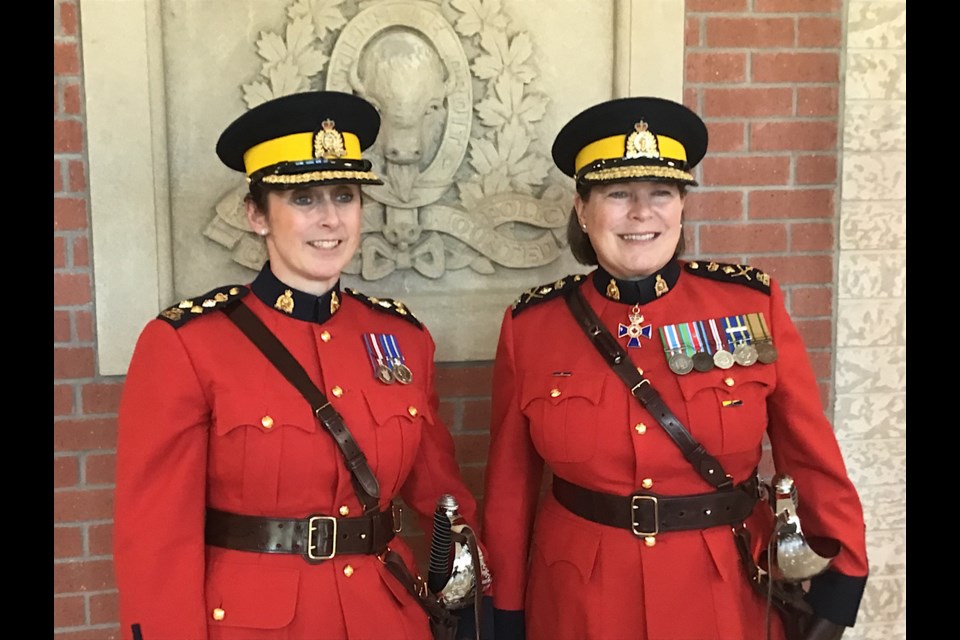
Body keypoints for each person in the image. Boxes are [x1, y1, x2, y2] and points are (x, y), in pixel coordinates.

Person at [480, 96, 869, 640]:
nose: (642, 213)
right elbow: (510, 488)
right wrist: (506, 611)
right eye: (618, 194)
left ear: (682, 207)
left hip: (722, 591)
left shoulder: (749, 305)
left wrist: (844, 575)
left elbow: (809, 452)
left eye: (661, 193)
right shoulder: (531, 327)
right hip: (578, 600)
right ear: (582, 209)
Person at [114, 90, 490, 640]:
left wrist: (464, 568)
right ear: (256, 214)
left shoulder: (401, 339)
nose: (330, 219)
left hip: (383, 616)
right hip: (256, 625)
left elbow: (439, 490)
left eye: (344, 195)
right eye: (304, 199)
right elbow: (155, 540)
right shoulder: (188, 344)